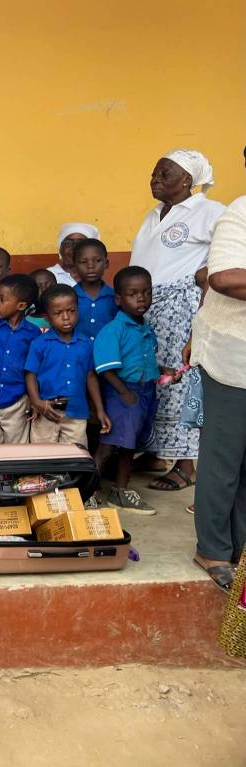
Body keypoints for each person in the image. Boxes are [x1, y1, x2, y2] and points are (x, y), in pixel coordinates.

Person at [130, 149, 226, 494]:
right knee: (153, 380)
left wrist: (207, 273)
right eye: (155, 172)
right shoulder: (153, 214)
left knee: (179, 380)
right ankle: (158, 453)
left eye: (164, 174)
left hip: (180, 307)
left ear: (187, 179)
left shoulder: (210, 211)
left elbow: (232, 249)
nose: (155, 179)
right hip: (147, 307)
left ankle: (186, 465)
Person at [188, 191, 246, 591]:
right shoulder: (239, 214)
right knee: (224, 461)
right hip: (233, 357)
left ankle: (238, 545)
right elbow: (222, 277)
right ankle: (212, 548)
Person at [93, 266, 159, 514]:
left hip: (144, 392)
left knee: (129, 444)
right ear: (119, 299)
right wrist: (125, 394)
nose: (141, 298)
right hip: (123, 393)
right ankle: (88, 491)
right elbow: (106, 369)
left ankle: (120, 490)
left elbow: (145, 359)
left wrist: (163, 371)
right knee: (108, 444)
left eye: (146, 292)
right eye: (133, 294)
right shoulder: (114, 330)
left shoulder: (145, 326)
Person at [26, 285, 110, 446]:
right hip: (46, 411)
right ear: (47, 317)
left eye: (71, 311)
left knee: (75, 456)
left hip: (76, 412)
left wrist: (99, 409)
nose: (66, 317)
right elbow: (30, 375)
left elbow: (90, 377)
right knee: (42, 455)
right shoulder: (39, 344)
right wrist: (37, 402)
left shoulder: (85, 343)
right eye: (58, 313)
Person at [0, 274, 41, 445]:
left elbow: (35, 370)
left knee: (16, 449)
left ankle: (14, 474)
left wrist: (35, 400)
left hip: (19, 399)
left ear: (21, 305)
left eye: (2, 300)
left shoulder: (33, 334)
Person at [72, 239, 116, 343]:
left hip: (107, 354)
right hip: (78, 356)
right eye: (83, 262)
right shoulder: (69, 297)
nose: (90, 266)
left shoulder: (116, 297)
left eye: (97, 261)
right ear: (74, 267)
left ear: (106, 264)